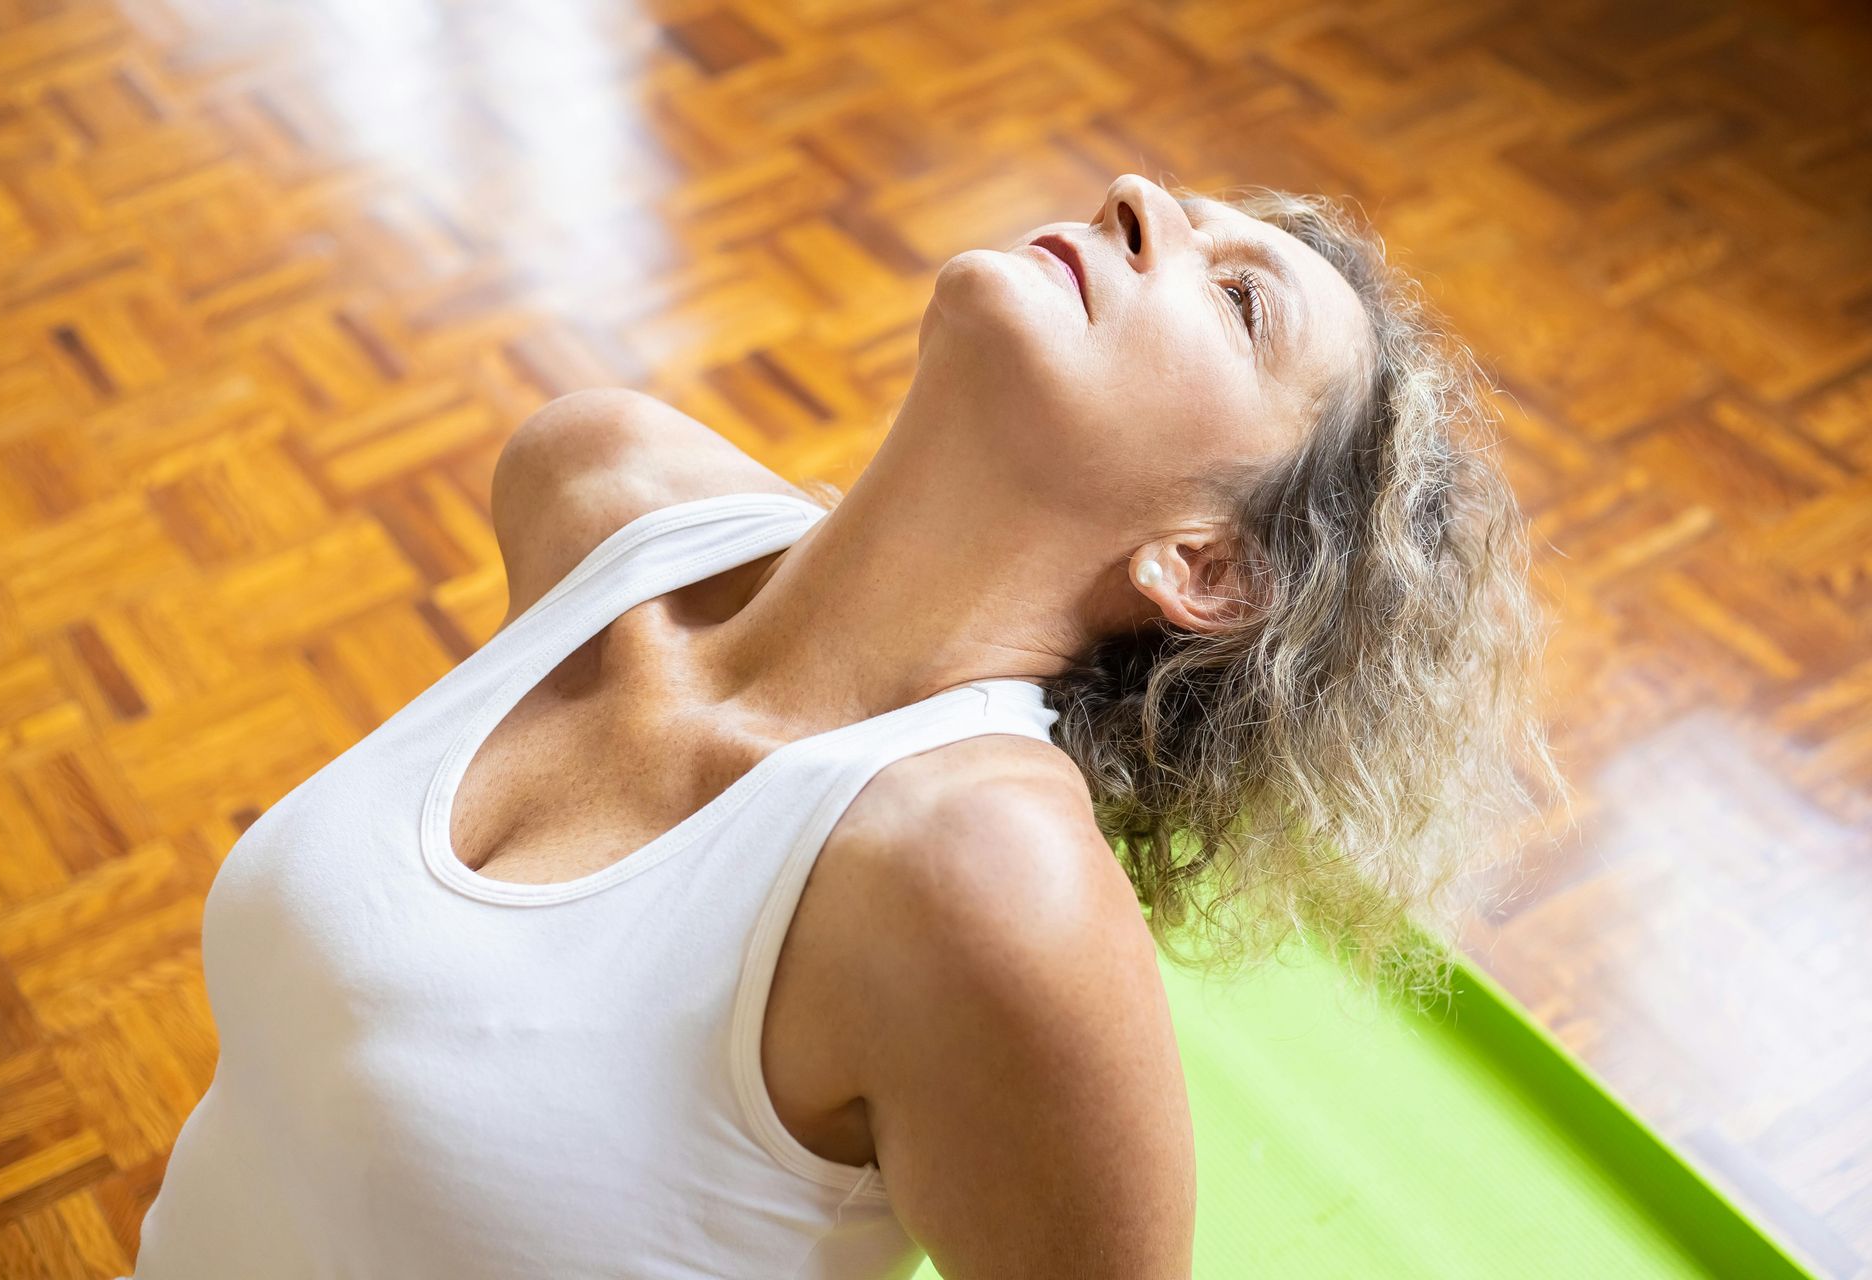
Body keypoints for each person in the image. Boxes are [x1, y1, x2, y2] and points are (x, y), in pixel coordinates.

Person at [124, 173, 1559, 1279]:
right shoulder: (597, 486)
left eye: (1238, 300)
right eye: (1175, 209)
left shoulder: (982, 882)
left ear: (1205, 568)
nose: (1136, 201)